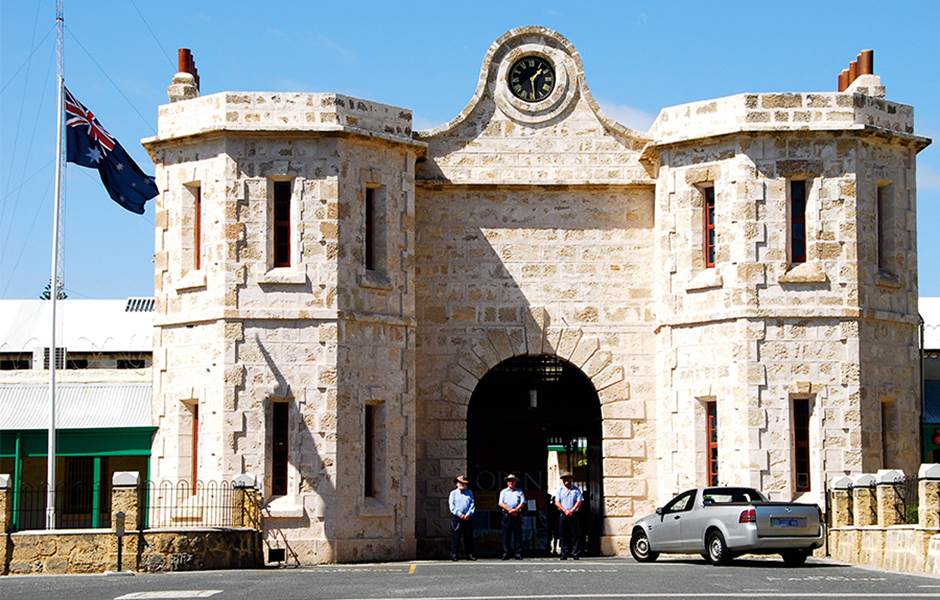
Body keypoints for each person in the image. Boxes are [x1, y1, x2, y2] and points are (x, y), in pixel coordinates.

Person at [555, 472, 583, 560]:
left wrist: (572, 510)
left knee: (575, 534)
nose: (567, 480)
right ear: (563, 480)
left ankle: (575, 553)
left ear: (571, 479)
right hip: (563, 514)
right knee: (563, 535)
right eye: (565, 479)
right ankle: (564, 553)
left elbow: (579, 501)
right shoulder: (560, 490)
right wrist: (565, 511)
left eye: (568, 478)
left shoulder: (576, 490)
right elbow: (557, 502)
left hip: (573, 514)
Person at [448, 474, 476, 561]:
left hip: (467, 517)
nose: (461, 484)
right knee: (455, 537)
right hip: (457, 518)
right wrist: (459, 514)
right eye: (459, 482)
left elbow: (472, 505)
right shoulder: (453, 493)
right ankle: (454, 554)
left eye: (463, 483)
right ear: (456, 484)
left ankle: (469, 554)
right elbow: (452, 506)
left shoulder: (470, 492)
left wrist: (468, 514)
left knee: (468, 537)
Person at [498, 473, 526, 560]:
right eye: (509, 481)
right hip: (507, 515)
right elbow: (500, 503)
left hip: (516, 515)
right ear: (507, 482)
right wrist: (510, 510)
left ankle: (518, 553)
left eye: (512, 481)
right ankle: (506, 553)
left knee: (517, 535)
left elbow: (523, 502)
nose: (511, 482)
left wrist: (516, 510)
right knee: (506, 535)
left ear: (515, 482)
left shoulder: (519, 491)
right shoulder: (503, 492)